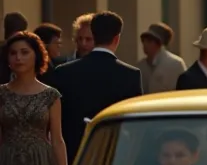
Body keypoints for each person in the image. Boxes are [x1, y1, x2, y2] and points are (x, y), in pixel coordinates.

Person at [47, 11, 143, 157]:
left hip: (73, 154)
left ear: (94, 36)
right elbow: (134, 123)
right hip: (112, 152)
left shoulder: (63, 72)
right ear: (116, 39)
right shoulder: (131, 75)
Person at [0, 32, 68, 165]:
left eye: (24, 52)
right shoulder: (1, 94)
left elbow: (57, 139)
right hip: (7, 163)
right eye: (13, 53)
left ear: (36, 56)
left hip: (41, 163)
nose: (18, 58)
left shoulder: (51, 95)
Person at [137, 22, 187, 94]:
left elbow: (184, 92)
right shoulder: (140, 66)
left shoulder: (176, 64)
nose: (145, 44)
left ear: (159, 43)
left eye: (149, 41)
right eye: (143, 40)